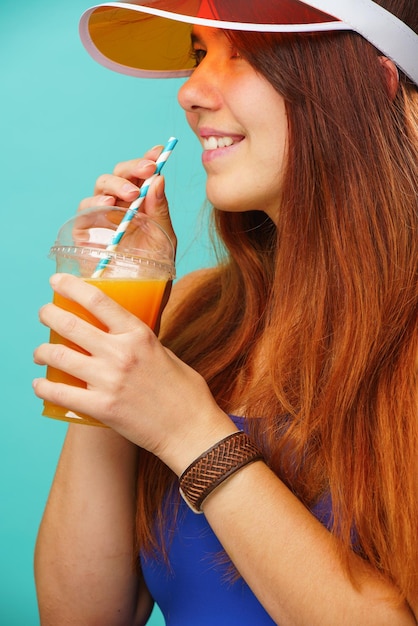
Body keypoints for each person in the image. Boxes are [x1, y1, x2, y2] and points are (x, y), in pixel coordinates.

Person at [33, 1, 418, 624]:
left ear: (378, 80)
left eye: (243, 53)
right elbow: (81, 617)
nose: (189, 91)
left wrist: (191, 431)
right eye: (198, 53)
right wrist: (113, 334)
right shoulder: (191, 316)